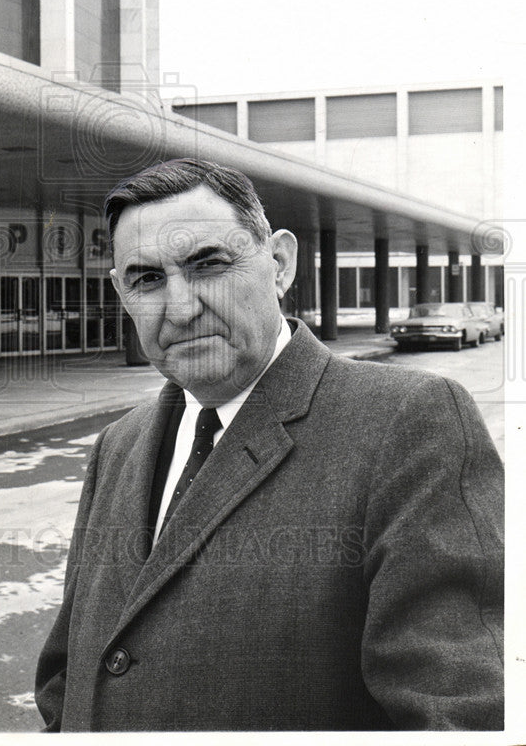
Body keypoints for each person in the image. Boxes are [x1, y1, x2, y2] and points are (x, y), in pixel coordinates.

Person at [35, 158, 504, 732]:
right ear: (122, 292)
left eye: (208, 264)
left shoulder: (407, 423)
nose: (180, 309)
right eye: (147, 278)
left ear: (279, 264)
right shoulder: (118, 445)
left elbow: (459, 714)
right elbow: (67, 680)